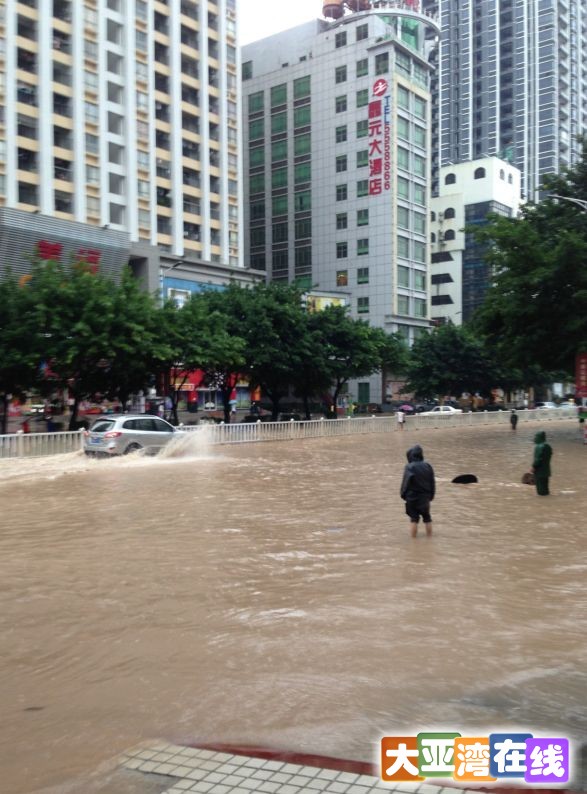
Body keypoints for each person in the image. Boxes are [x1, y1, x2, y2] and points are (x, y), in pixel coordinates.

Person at [400, 444, 435, 538]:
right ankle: (429, 539)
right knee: (427, 518)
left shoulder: (409, 467)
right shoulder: (428, 466)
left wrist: (403, 495)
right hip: (425, 498)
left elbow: (405, 483)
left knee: (414, 519)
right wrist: (431, 496)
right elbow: (432, 482)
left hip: (412, 498)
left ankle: (414, 541)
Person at [532, 430, 553, 496]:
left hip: (539, 472)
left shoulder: (538, 447)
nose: (534, 438)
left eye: (536, 436)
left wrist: (533, 467)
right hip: (546, 471)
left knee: (540, 492)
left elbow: (538, 459)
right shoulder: (548, 446)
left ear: (539, 437)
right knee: (546, 489)